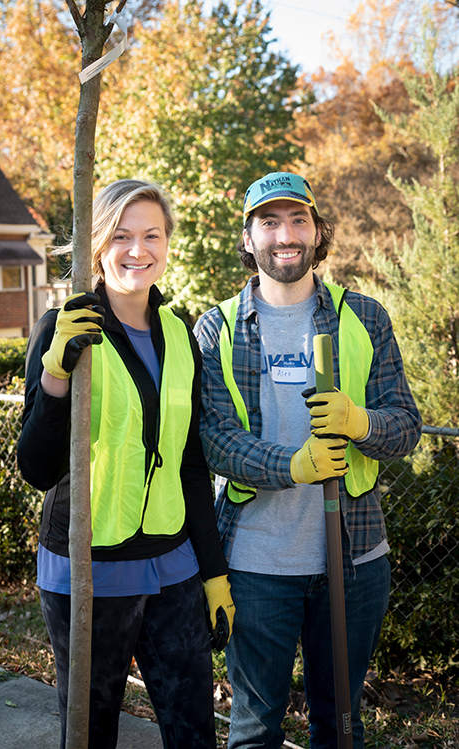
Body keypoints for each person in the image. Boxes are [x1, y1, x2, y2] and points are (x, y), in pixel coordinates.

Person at [193, 172, 422, 749]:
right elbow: (215, 439)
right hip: (255, 564)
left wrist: (360, 422)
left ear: (319, 232)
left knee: (341, 725)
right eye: (268, 222)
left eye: (298, 220)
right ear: (248, 239)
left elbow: (406, 425)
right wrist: (297, 465)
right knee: (253, 730)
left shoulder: (364, 317)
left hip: (355, 559)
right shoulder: (216, 329)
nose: (285, 235)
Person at [17, 178, 235, 749]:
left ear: (167, 244)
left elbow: (189, 464)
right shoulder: (63, 328)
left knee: (194, 731)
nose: (137, 249)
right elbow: (37, 468)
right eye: (120, 235)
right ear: (96, 244)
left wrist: (214, 574)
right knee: (91, 733)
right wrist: (56, 374)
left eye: (151, 235)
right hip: (89, 567)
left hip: (174, 564)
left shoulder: (179, 333)